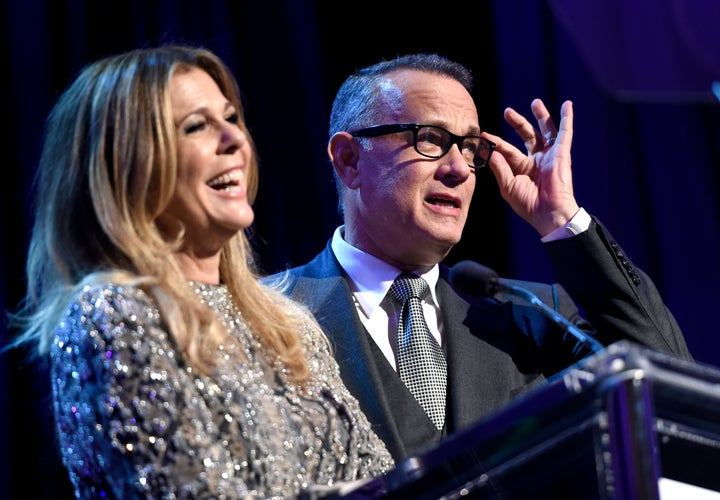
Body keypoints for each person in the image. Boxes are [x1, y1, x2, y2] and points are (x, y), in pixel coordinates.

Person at [7, 44, 394, 498]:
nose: (234, 140)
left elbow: (384, 481)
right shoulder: (114, 317)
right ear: (128, 167)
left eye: (231, 119)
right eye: (196, 127)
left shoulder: (287, 325)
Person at [264, 53, 693, 462]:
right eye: (430, 139)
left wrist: (562, 218)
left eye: (469, 147)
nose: (459, 168)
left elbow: (675, 391)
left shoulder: (532, 314)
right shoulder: (267, 315)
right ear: (349, 159)